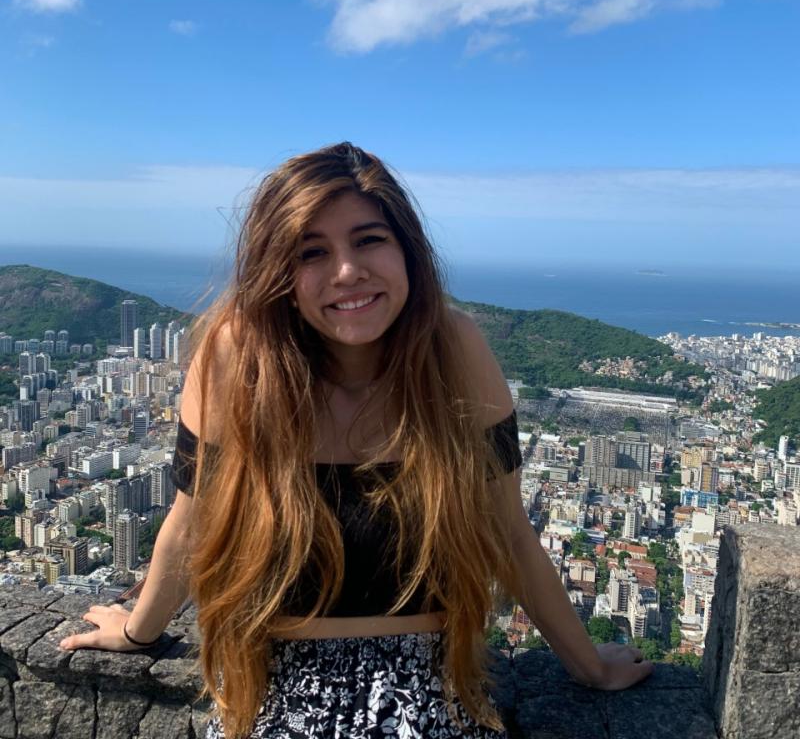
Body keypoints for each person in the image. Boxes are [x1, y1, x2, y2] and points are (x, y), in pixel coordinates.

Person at [60, 142, 653, 738]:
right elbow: (192, 524)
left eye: (369, 239)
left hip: (431, 699)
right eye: (311, 252)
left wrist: (590, 665)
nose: (347, 271)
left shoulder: (453, 350)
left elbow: (508, 531)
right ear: (281, 275)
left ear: (407, 251)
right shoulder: (238, 357)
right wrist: (137, 630)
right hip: (274, 698)